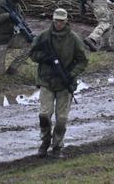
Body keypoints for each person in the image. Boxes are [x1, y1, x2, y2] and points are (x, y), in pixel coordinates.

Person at [30, 8, 88, 159]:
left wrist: (71, 75)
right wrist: (46, 58)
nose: (58, 23)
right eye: (56, 20)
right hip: (46, 81)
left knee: (61, 119)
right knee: (44, 114)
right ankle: (44, 142)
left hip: (64, 83)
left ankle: (57, 147)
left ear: (66, 21)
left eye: (61, 21)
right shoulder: (44, 36)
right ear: (53, 20)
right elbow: (33, 54)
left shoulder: (74, 39)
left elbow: (82, 60)